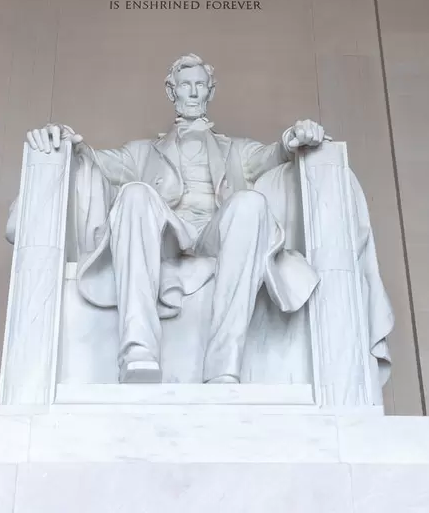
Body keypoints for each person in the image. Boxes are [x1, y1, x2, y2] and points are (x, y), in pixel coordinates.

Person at [24, 53, 325, 384]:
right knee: (135, 193)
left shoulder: (236, 150)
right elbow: (94, 159)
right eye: (186, 86)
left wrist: (293, 138)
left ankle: (224, 366)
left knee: (251, 203)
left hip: (216, 236)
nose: (193, 93)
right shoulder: (142, 152)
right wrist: (66, 139)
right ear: (171, 92)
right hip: (168, 234)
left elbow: (274, 154)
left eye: (200, 85)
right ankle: (138, 351)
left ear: (211, 90)